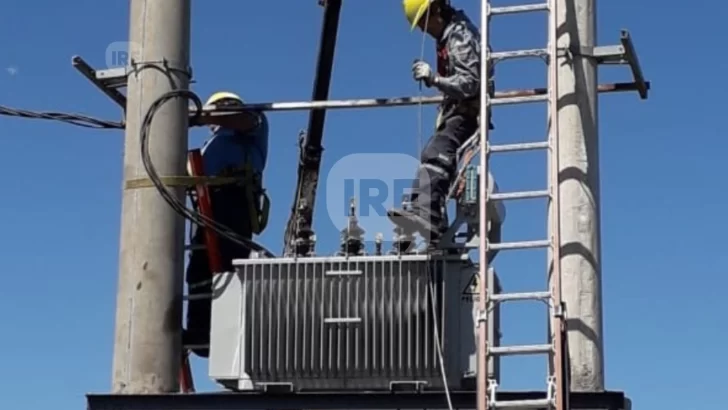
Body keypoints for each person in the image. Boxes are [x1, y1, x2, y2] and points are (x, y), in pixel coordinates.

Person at [389, 0, 491, 249]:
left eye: (424, 21)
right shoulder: (447, 35)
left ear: (436, 10)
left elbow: (470, 83)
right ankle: (427, 214)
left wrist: (434, 79)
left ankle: (428, 214)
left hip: (468, 113)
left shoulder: (459, 35)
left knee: (436, 153)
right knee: (432, 154)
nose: (424, 29)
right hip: (455, 111)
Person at [183, 91, 269, 358]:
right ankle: (200, 335)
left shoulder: (250, 125)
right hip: (207, 208)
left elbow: (243, 119)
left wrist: (195, 115)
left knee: (229, 268)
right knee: (199, 271)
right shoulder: (212, 143)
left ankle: (227, 334)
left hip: (234, 202)